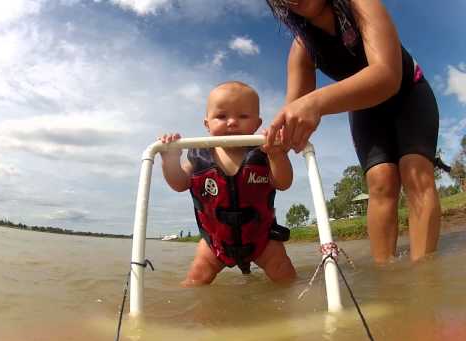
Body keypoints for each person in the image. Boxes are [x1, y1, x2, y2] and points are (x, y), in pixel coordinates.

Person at [264, 0, 440, 263]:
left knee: (415, 171)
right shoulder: (302, 47)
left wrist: (314, 103)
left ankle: (425, 276)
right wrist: (271, 144)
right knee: (381, 181)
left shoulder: (360, 4)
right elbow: (292, 116)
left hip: (407, 91)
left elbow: (386, 77)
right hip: (366, 108)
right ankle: (387, 278)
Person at [159, 81, 297, 286]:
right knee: (196, 278)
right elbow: (180, 183)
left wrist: (277, 155)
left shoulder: (265, 152)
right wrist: (169, 159)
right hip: (215, 243)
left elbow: (283, 183)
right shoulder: (198, 155)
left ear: (257, 124)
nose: (232, 122)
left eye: (243, 116)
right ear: (207, 124)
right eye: (221, 116)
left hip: (262, 239)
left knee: (284, 274)